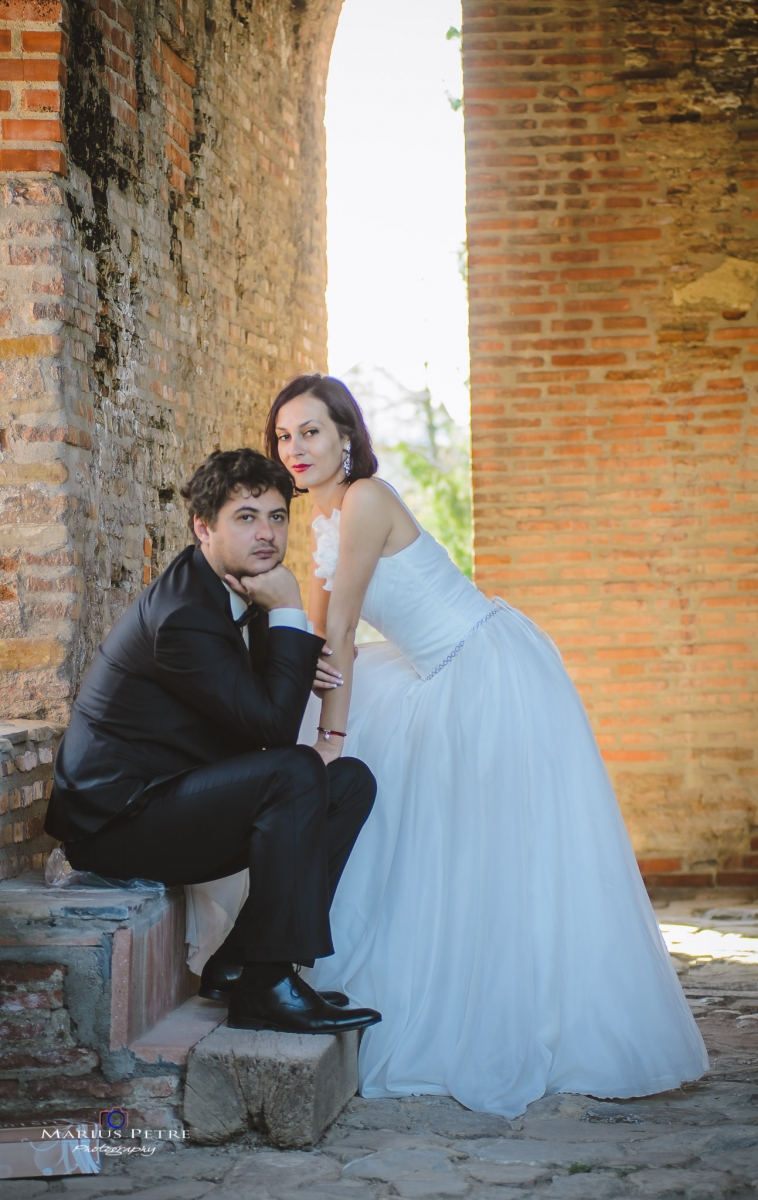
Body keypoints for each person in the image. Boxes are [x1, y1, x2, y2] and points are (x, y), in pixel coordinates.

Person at [256, 373, 708, 1118]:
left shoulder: (365, 498)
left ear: (345, 435)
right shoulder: (324, 515)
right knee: (419, 828)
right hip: (431, 674)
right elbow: (315, 637)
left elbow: (339, 633)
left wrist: (330, 742)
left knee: (497, 858)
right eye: (283, 435)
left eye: (310, 431)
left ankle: (547, 1021)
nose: (295, 447)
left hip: (483, 667)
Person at [44, 448, 381, 1037]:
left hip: (169, 795)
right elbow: (273, 732)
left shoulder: (227, 587)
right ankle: (270, 986)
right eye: (246, 517)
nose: (266, 534)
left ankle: (240, 961)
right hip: (117, 824)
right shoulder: (185, 613)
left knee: (349, 782)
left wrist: (292, 652)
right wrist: (292, 616)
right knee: (296, 770)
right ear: (204, 527)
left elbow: (251, 713)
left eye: (277, 517)